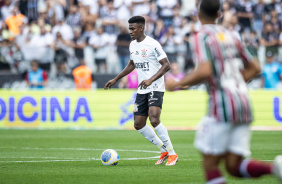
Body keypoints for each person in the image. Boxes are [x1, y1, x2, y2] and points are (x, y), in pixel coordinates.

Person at [166, 0, 282, 183]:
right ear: (219, 14)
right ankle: (275, 168)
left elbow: (205, 70)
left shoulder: (201, 36)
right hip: (243, 102)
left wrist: (179, 83)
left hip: (222, 106)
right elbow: (255, 67)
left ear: (198, 14)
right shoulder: (231, 35)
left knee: (210, 165)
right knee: (233, 166)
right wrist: (233, 83)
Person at [104, 16, 178, 166]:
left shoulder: (153, 44)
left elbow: (166, 65)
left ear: (141, 28)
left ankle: (172, 153)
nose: (130, 31)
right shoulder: (132, 45)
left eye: (132, 28)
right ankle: (163, 150)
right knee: (138, 124)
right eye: (129, 28)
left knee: (154, 118)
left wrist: (151, 79)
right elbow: (132, 64)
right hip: (142, 89)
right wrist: (116, 78)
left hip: (155, 86)